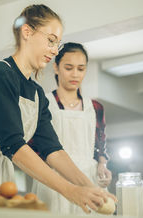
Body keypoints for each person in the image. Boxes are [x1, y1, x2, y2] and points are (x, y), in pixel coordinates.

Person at [0, 4, 115, 213]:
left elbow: (53, 149)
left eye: (57, 44)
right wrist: (70, 191)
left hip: (0, 171)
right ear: (27, 32)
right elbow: (14, 145)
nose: (55, 50)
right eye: (51, 40)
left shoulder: (36, 94)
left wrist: (91, 188)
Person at [31, 42, 112, 214]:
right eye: (68, 68)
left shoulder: (95, 107)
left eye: (81, 69)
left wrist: (102, 166)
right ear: (55, 68)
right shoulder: (43, 103)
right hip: (54, 182)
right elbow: (34, 148)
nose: (75, 74)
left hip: (89, 181)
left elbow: (100, 144)